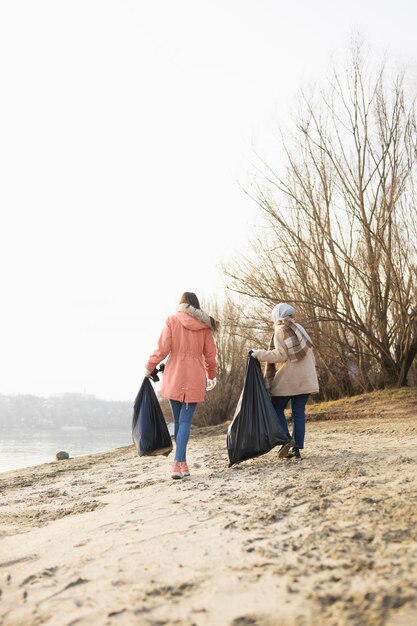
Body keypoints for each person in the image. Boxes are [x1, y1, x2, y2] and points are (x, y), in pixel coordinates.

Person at [144, 292, 218, 479]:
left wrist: (149, 366)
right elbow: (210, 356)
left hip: (174, 375)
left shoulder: (172, 320)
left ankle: (177, 464)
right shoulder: (205, 326)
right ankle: (181, 464)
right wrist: (211, 375)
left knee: (179, 422)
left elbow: (162, 349)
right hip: (194, 376)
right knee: (184, 422)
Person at [250, 302, 319, 460]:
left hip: (290, 378)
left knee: (276, 407)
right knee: (298, 413)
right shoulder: (299, 328)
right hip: (307, 378)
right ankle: (297, 449)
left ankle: (285, 439)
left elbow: (280, 355)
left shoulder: (280, 330)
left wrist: (258, 354)